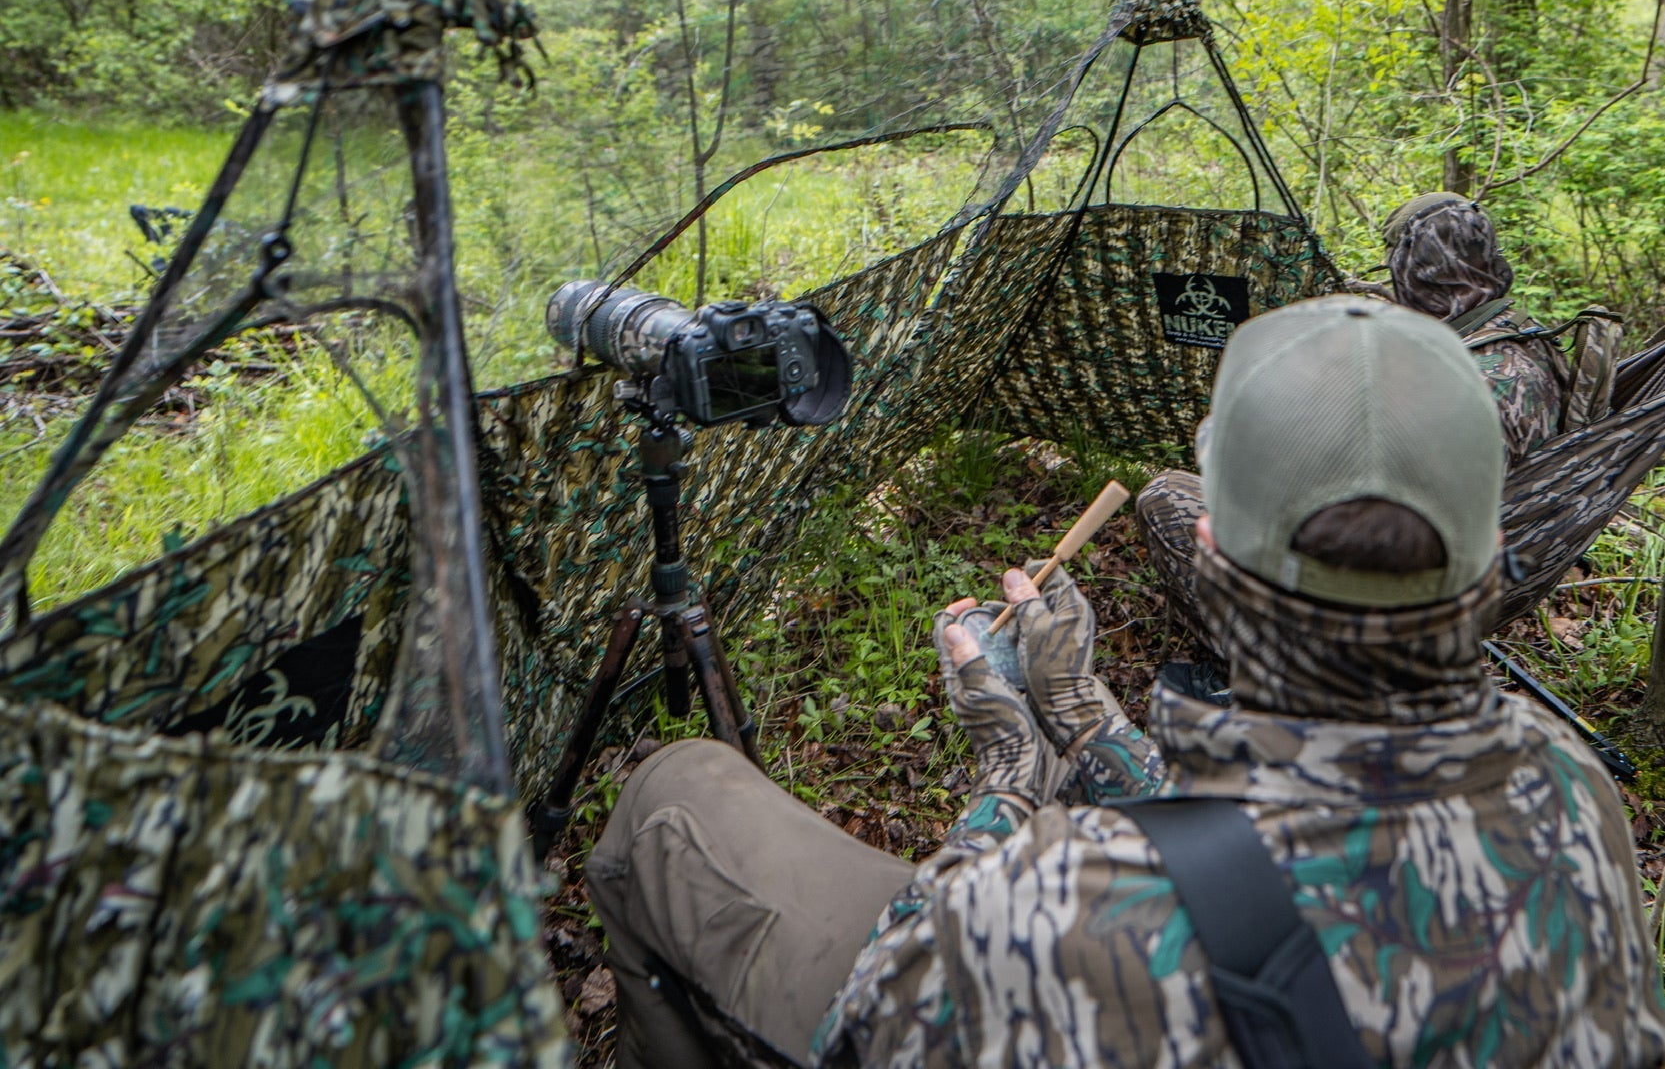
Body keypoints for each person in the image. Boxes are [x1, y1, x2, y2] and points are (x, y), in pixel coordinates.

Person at [586, 295, 1665, 1067]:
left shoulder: (1075, 903)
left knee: (670, 796)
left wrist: (1012, 764)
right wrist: (1078, 711)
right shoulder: (1571, 788)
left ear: (1208, 550)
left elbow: (884, 1006)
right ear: (1489, 554)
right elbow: (1280, 833)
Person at [1140, 191, 1567, 655]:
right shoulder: (1514, 340)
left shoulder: (1477, 383)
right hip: (1463, 570)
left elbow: (1387, 515)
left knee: (1166, 496)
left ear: (1418, 272)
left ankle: (1261, 661)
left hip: (1389, 592)